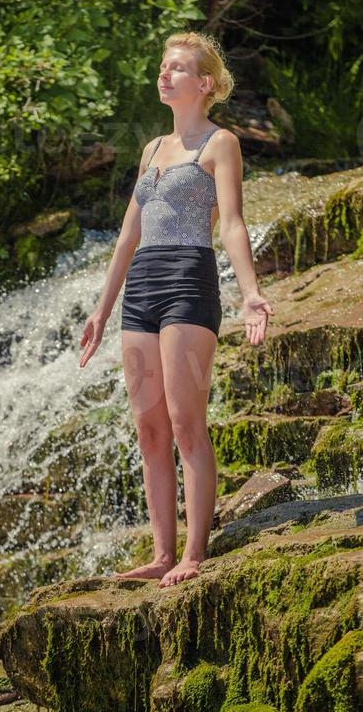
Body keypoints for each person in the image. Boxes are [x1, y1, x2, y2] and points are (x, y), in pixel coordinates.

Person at [79, 31, 274, 588]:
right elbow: (126, 238)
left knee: (187, 422)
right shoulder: (151, 150)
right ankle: (162, 554)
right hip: (140, 288)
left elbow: (232, 223)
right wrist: (101, 309)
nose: (164, 76)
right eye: (163, 68)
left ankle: (193, 554)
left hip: (189, 281)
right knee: (148, 427)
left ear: (205, 83)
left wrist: (250, 292)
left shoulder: (221, 144)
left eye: (178, 69)